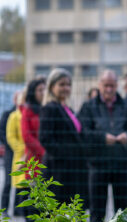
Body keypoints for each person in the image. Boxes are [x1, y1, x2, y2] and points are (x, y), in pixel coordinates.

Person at [78, 70, 127, 222]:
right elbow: (82, 132)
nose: (109, 89)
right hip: (97, 164)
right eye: (106, 85)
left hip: (122, 164)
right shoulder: (88, 107)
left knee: (124, 209)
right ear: (99, 85)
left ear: (117, 86)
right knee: (97, 209)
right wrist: (102, 138)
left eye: (112, 85)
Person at [39, 68, 88, 205]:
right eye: (61, 84)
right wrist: (67, 154)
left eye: (68, 84)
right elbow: (45, 138)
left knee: (74, 212)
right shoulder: (49, 108)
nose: (66, 88)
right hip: (59, 170)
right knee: (59, 215)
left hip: (73, 169)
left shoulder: (67, 109)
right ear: (52, 86)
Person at [6, 90, 26, 215]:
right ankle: (19, 211)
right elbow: (11, 136)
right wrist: (23, 148)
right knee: (22, 184)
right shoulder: (14, 116)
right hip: (21, 156)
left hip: (33, 155)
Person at [0, 94, 16, 211]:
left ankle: (17, 209)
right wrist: (10, 145)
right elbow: (0, 132)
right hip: (10, 152)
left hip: (20, 152)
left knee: (21, 181)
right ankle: (4, 208)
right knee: (8, 181)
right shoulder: (7, 114)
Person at [21, 78, 46, 166]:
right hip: (35, 159)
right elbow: (27, 136)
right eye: (40, 90)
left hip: (50, 159)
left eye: (44, 89)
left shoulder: (47, 108)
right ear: (33, 92)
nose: (43, 93)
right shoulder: (28, 110)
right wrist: (43, 151)